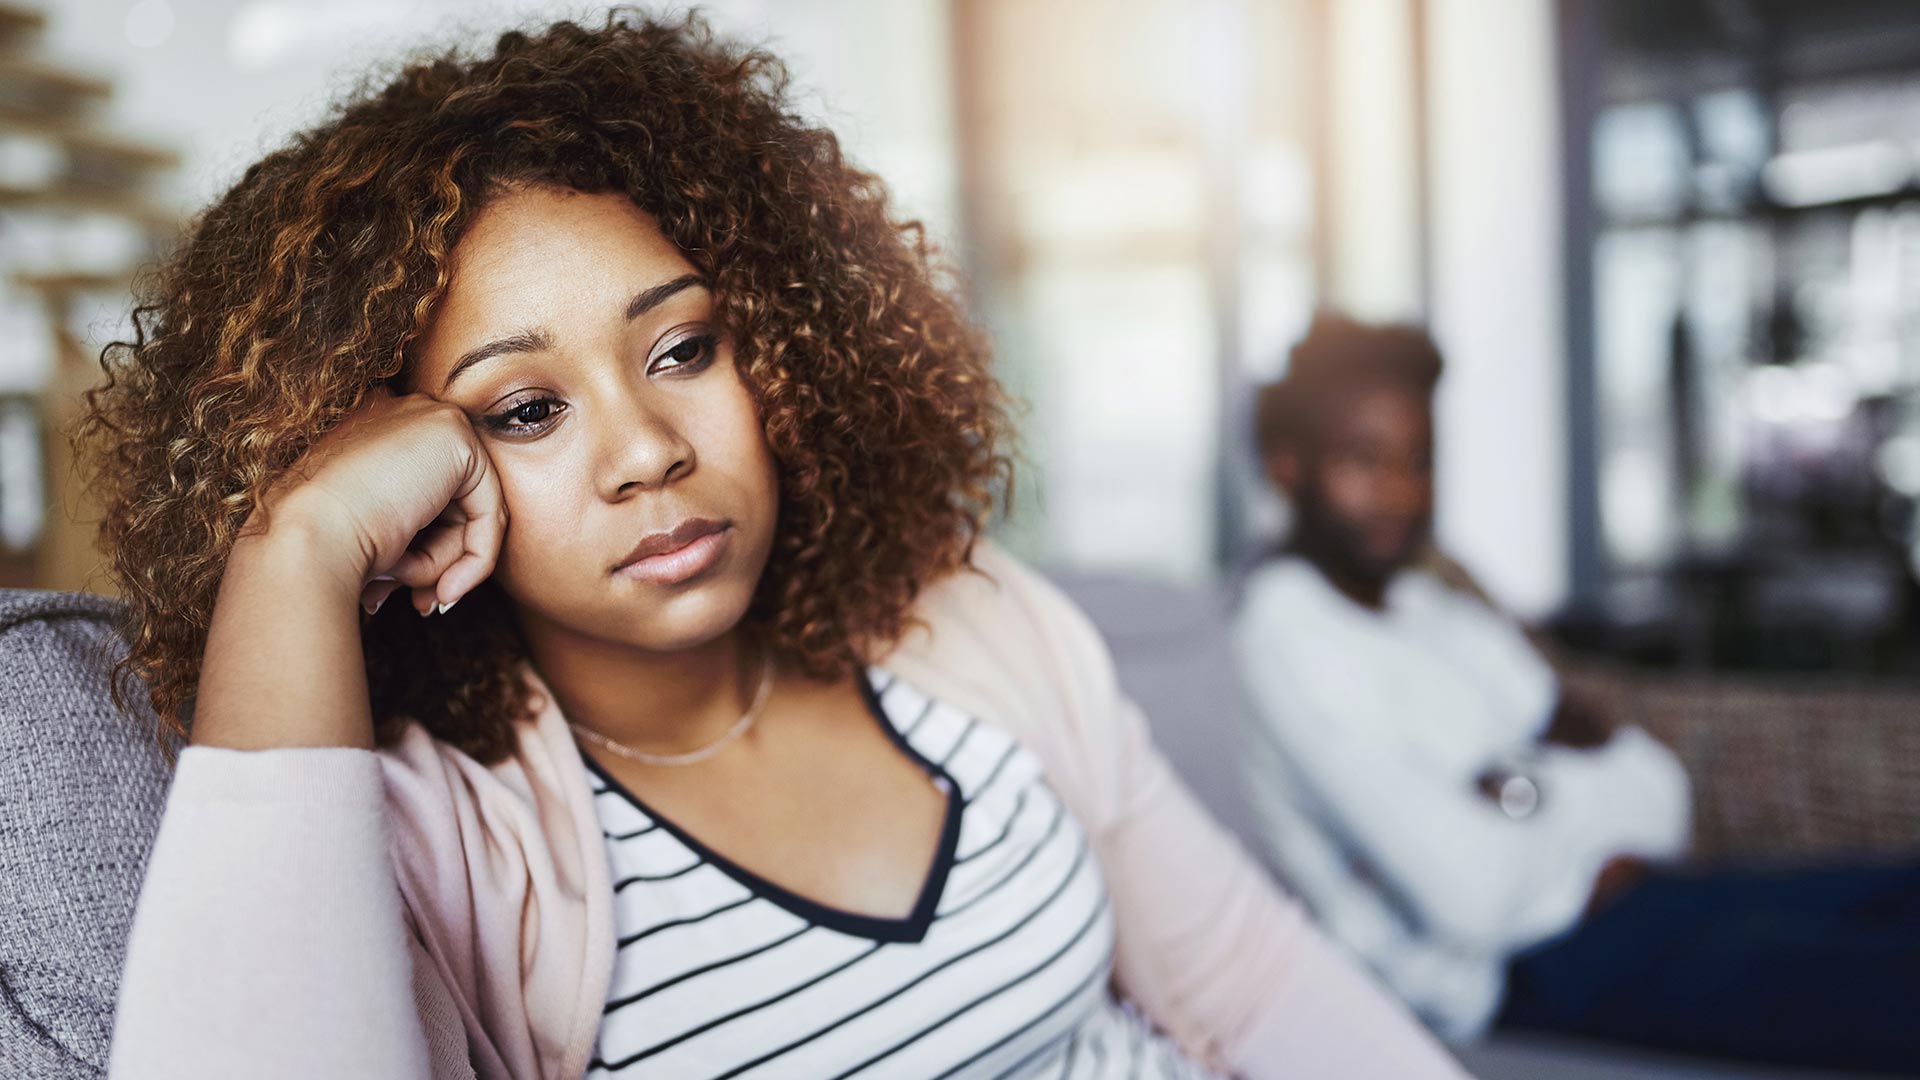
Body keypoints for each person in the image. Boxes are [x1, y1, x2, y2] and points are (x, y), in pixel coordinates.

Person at [79, 14, 1467, 1080]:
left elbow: (1260, 992)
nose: (648, 450)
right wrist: (299, 543)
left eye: (684, 347)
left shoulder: (972, 626)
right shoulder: (440, 834)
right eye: (525, 408)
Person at [1230, 312, 1920, 1074]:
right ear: (1286, 465)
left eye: (1419, 459)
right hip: (1527, 973)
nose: (1401, 492)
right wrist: (1565, 790)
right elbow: (1473, 900)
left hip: (1636, 906)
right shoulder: (1284, 632)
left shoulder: (1433, 609)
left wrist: (1511, 790)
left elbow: (1660, 793)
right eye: (1365, 460)